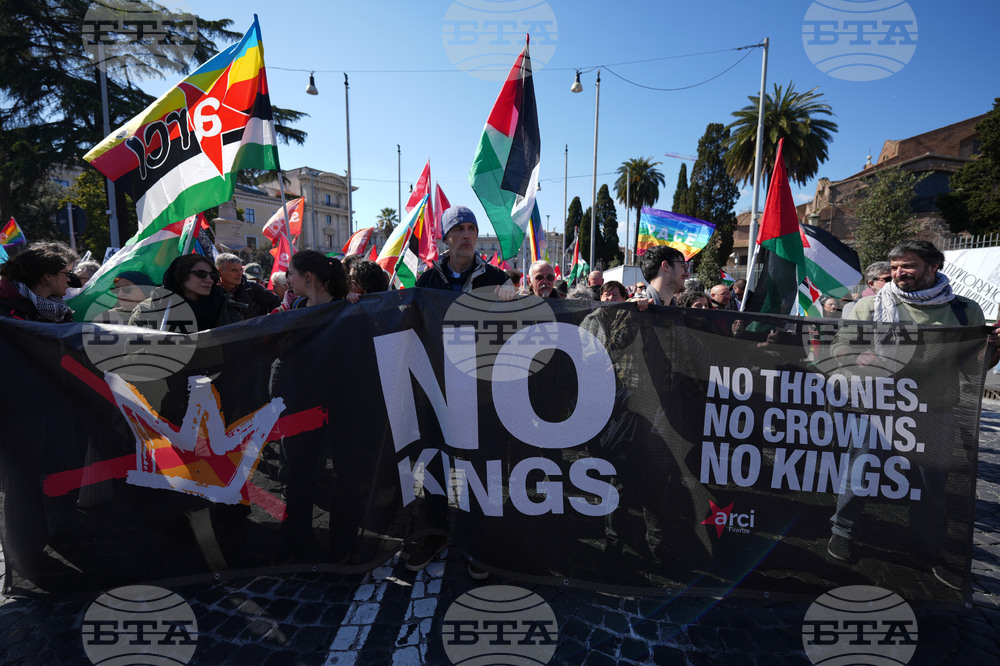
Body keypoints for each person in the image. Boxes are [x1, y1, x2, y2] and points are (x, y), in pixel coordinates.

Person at [826, 240, 1000, 590]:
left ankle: (926, 548)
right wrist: (854, 356)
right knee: (860, 473)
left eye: (908, 266)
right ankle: (842, 531)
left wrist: (993, 346)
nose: (898, 273)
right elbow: (839, 346)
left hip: (936, 410)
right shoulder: (869, 307)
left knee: (930, 485)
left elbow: (972, 368)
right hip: (877, 409)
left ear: (933, 266)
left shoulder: (965, 311)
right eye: (894, 267)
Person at [130, 254, 243, 331]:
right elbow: (130, 356)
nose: (209, 280)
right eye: (201, 274)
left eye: (212, 276)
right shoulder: (148, 310)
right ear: (180, 275)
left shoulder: (225, 306)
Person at [415, 206, 511, 294]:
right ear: (445, 239)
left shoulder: (499, 279)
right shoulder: (427, 281)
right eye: (459, 229)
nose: (467, 235)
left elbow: (515, 310)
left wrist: (520, 302)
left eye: (471, 228)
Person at [0, 241, 79, 322]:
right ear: (48, 276)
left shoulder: (60, 308)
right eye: (65, 273)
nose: (68, 279)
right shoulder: (7, 315)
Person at [215, 253, 280, 319]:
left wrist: (267, 322)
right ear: (219, 272)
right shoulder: (211, 291)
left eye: (241, 270)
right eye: (234, 270)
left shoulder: (251, 287)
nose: (239, 274)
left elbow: (276, 301)